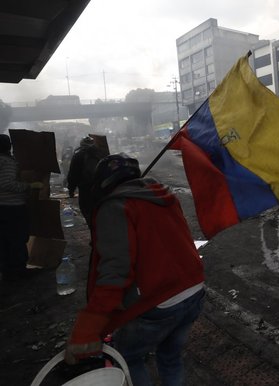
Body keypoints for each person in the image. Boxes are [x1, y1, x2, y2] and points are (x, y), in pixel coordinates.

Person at [65, 154, 205, 385]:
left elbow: (115, 271)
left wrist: (89, 326)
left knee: (129, 358)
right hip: (194, 289)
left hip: (159, 301)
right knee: (171, 357)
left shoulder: (115, 206)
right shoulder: (163, 196)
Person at [0, 134, 43, 281]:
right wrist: (29, 186)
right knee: (17, 238)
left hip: (2, 207)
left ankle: (7, 269)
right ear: (9, 146)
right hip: (12, 207)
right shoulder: (7, 162)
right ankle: (19, 270)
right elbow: (7, 183)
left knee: (5, 240)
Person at [67, 136, 103, 227]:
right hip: (100, 188)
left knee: (87, 212)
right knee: (100, 211)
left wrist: (71, 190)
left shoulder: (78, 155)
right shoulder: (101, 154)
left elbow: (73, 175)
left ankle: (93, 233)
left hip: (85, 189)